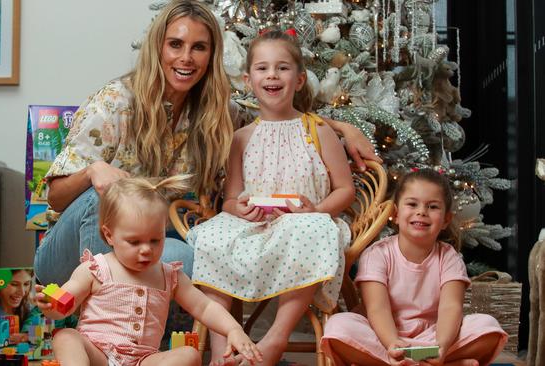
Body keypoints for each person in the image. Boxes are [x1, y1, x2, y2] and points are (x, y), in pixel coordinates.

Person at [33, 0, 380, 287]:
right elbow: (57, 197)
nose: (186, 58)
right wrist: (94, 170)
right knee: (105, 196)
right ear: (158, 48)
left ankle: (160, 343)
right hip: (69, 256)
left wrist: (341, 127)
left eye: (198, 48)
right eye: (175, 45)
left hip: (147, 244)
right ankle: (106, 334)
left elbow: (275, 114)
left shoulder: (219, 113)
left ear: (210, 56)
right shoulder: (115, 102)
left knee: (193, 258)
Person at [187, 30, 356, 366]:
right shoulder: (241, 137)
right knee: (210, 236)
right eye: (263, 69)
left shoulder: (318, 130)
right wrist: (241, 209)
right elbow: (230, 200)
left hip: (302, 225)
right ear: (249, 80)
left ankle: (276, 338)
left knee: (311, 228)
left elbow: (346, 190)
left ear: (299, 79)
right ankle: (224, 348)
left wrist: (318, 209)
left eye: (282, 68)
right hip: (256, 227)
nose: (272, 76)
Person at [35, 175, 263, 366]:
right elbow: (67, 302)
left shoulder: (169, 276)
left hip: (144, 360)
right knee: (66, 337)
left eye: (155, 240)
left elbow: (204, 307)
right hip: (98, 356)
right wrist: (52, 306)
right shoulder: (95, 268)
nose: (146, 250)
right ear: (109, 235)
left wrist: (233, 329)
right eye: (134, 242)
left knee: (189, 356)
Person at [321, 168, 508, 366]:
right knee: (338, 328)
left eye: (433, 207)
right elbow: (377, 308)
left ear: (446, 220)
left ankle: (431, 360)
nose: (421, 212)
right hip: (385, 337)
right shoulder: (377, 254)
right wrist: (392, 343)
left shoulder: (449, 257)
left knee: (487, 327)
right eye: (412, 204)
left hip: (433, 336)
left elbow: (450, 307)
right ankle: (441, 363)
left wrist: (441, 346)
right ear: (394, 213)